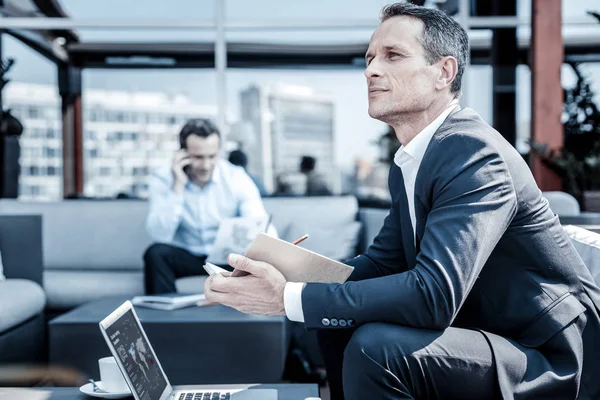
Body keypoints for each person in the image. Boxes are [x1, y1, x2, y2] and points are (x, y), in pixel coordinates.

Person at [203, 3, 600, 399]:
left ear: (444, 72)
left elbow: (434, 294)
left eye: (393, 56)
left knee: (377, 349)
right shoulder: (411, 161)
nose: (371, 70)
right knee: (336, 320)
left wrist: (289, 298)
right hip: (493, 332)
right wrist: (290, 274)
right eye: (370, 58)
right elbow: (382, 264)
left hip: (550, 357)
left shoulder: (472, 151)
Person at [143, 118, 269, 294]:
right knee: (155, 253)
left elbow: (258, 223)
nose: (206, 165)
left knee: (254, 257)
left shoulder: (236, 177)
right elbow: (159, 235)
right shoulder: (163, 180)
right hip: (188, 255)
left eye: (212, 156)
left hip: (227, 258)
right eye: (198, 157)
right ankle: (165, 318)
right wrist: (177, 187)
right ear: (183, 154)